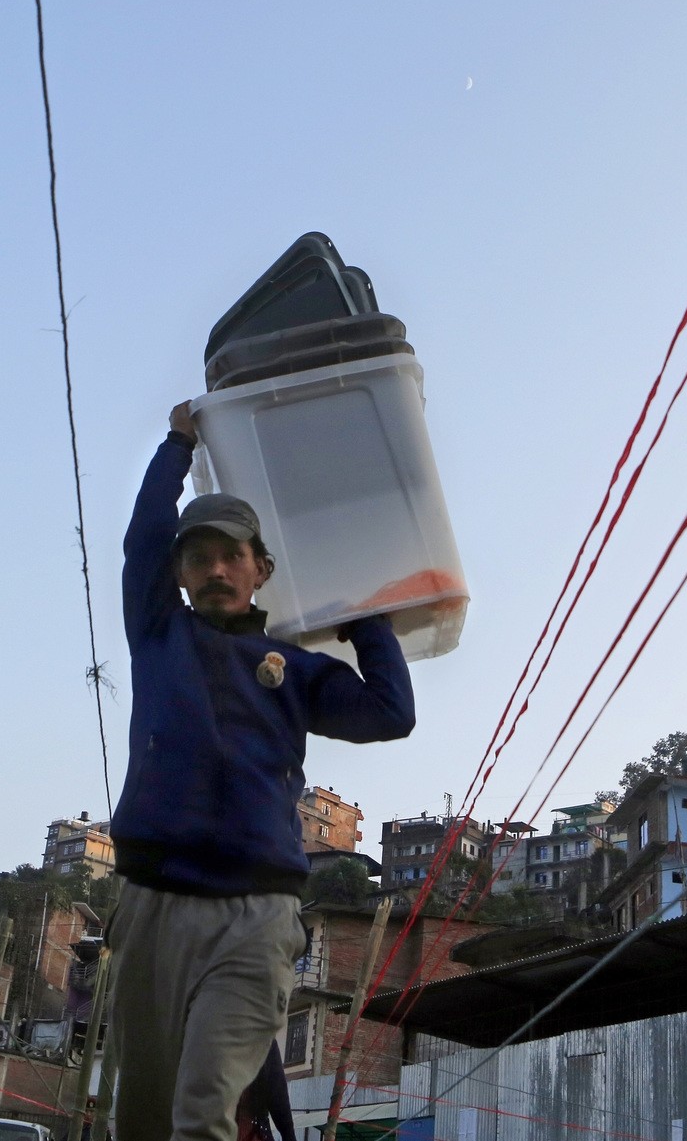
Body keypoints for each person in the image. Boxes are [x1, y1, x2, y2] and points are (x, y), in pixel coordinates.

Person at [107, 403, 415, 1141]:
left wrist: (364, 618)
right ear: (178, 574)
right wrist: (177, 445)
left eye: (231, 555)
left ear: (260, 568)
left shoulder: (295, 669)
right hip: (153, 904)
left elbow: (389, 712)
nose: (216, 569)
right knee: (144, 1119)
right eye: (198, 558)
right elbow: (143, 536)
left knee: (204, 1107)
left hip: (257, 914)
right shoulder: (158, 632)